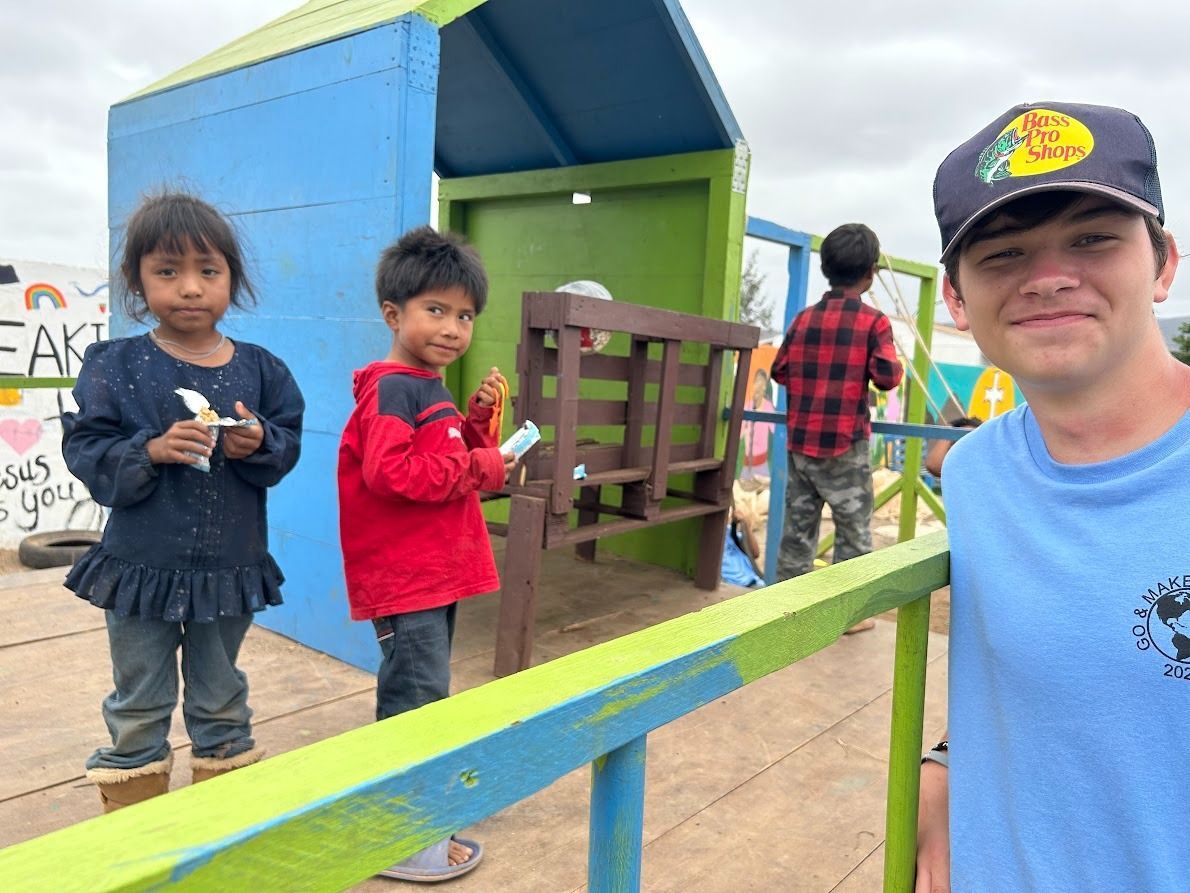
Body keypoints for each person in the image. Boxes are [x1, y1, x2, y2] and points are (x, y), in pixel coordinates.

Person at [917, 102, 1185, 891]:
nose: (1050, 276)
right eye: (1003, 253)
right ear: (958, 301)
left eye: (1093, 238)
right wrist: (943, 761)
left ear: (1164, 261)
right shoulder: (974, 474)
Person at [62, 192, 305, 812]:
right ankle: (136, 830)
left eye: (208, 271)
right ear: (138, 282)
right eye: (167, 271)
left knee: (221, 697)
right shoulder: (116, 365)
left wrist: (259, 442)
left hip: (229, 567)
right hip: (141, 567)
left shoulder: (261, 370)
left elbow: (287, 442)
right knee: (139, 699)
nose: (190, 288)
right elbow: (87, 448)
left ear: (232, 279)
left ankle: (215, 827)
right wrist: (149, 450)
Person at [337, 225, 516, 882]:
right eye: (435, 310)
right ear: (394, 313)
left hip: (431, 575)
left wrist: (471, 423)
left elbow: (435, 454)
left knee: (421, 693)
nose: (453, 326)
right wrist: (484, 463)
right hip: (407, 578)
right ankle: (403, 840)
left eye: (465, 314)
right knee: (417, 699)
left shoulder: (424, 384)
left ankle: (413, 820)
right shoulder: (393, 388)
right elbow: (395, 474)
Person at [770, 224, 904, 603]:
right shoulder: (873, 322)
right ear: (870, 274)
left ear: (826, 268)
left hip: (801, 444)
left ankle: (784, 612)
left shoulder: (803, 320)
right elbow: (887, 377)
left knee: (797, 533)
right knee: (853, 533)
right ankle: (848, 617)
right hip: (845, 446)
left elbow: (780, 370)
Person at [739, 368, 775, 481]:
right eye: (757, 382)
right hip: (747, 466)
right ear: (753, 385)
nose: (759, 387)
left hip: (762, 466)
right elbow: (739, 434)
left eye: (763, 384)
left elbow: (776, 430)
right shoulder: (748, 406)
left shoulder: (768, 407)